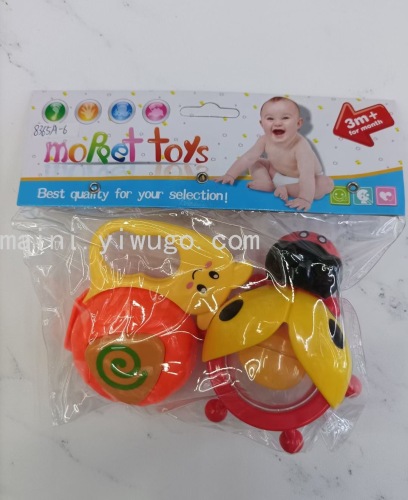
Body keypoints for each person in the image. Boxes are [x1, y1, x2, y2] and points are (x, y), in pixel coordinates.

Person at [215, 97, 334, 211]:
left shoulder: (301, 146)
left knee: (326, 184)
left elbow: (306, 175)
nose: (277, 123)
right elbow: (248, 158)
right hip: (276, 173)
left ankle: (286, 189)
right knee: (255, 162)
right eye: (270, 119)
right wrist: (230, 175)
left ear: (298, 123)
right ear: (262, 124)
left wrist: (304, 198)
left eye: (285, 118)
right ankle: (265, 182)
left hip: (302, 182)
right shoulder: (264, 140)